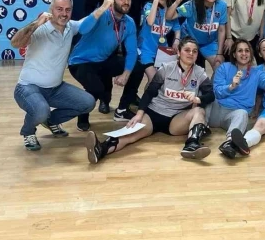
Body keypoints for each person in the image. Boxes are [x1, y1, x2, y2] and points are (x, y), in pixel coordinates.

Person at [85, 37, 215, 163]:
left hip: (176, 119)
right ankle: (100, 149)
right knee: (129, 134)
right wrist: (139, 114)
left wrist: (198, 99)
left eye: (194, 51)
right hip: (154, 114)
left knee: (199, 111)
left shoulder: (200, 73)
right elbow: (150, 92)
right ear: (179, 52)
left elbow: (211, 95)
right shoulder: (166, 68)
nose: (191, 53)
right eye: (187, 50)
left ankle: (191, 146)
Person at [11, 0, 97, 151]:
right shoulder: (41, 28)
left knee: (88, 102)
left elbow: (88, 21)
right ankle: (28, 132)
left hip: (55, 89)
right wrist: (36, 23)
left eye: (68, 10)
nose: (64, 14)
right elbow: (15, 43)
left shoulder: (71, 27)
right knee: (41, 111)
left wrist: (104, 7)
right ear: (51, 10)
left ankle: (51, 122)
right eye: (59, 9)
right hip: (28, 87)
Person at [68, 0, 137, 131]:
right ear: (112, 0)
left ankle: (123, 108)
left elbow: (131, 52)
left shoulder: (129, 22)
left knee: (138, 66)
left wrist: (125, 74)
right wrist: (103, 7)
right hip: (81, 62)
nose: (126, 2)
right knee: (97, 89)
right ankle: (82, 115)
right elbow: (82, 29)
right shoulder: (101, 14)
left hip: (103, 61)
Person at [114, 0, 181, 122]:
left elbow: (177, 27)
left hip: (162, 51)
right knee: (153, 78)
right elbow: (150, 21)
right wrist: (156, 0)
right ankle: (144, 110)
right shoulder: (149, 6)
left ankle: (149, 106)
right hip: (145, 50)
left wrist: (176, 40)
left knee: (161, 80)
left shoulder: (171, 10)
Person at [210, 39, 265, 158]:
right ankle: (194, 139)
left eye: (247, 51)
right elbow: (217, 92)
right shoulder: (224, 68)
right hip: (217, 109)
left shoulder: (256, 73)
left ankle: (230, 144)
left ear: (251, 54)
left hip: (235, 114)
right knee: (201, 106)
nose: (244, 54)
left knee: (242, 114)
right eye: (240, 51)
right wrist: (231, 86)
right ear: (234, 54)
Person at [166, 0, 227, 71]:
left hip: (209, 43)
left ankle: (211, 82)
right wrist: (177, 2)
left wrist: (219, 53)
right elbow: (169, 16)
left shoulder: (222, 5)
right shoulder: (191, 5)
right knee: (188, 70)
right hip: (190, 40)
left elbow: (222, 30)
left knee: (220, 68)